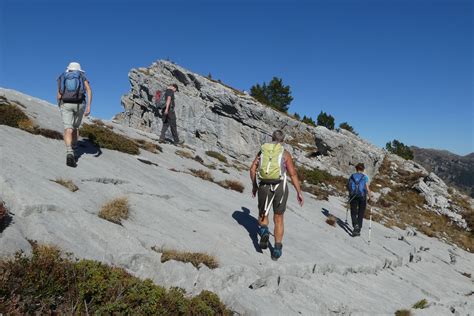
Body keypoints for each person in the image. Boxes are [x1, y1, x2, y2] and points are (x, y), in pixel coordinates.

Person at [249, 130, 304, 260]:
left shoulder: (262, 151)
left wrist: (254, 185)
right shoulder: (285, 153)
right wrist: (298, 192)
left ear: (271, 138)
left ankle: (263, 231)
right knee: (279, 218)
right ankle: (277, 250)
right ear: (282, 140)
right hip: (280, 186)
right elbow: (293, 174)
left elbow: (252, 169)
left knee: (263, 212)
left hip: (264, 185)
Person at [57, 62, 92, 167]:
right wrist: (89, 106)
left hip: (66, 104)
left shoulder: (63, 77)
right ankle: (75, 149)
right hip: (80, 104)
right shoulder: (82, 76)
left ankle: (69, 152)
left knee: (68, 128)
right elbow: (89, 90)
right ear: (79, 69)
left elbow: (59, 94)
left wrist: (60, 105)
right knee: (76, 128)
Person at [347, 163, 371, 236]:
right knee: (361, 212)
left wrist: (350, 194)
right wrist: (370, 197)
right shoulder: (365, 177)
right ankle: (358, 229)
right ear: (363, 169)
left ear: (356, 168)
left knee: (353, 212)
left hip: (353, 196)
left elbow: (348, 186)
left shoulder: (352, 176)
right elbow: (367, 188)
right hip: (362, 197)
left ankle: (355, 226)